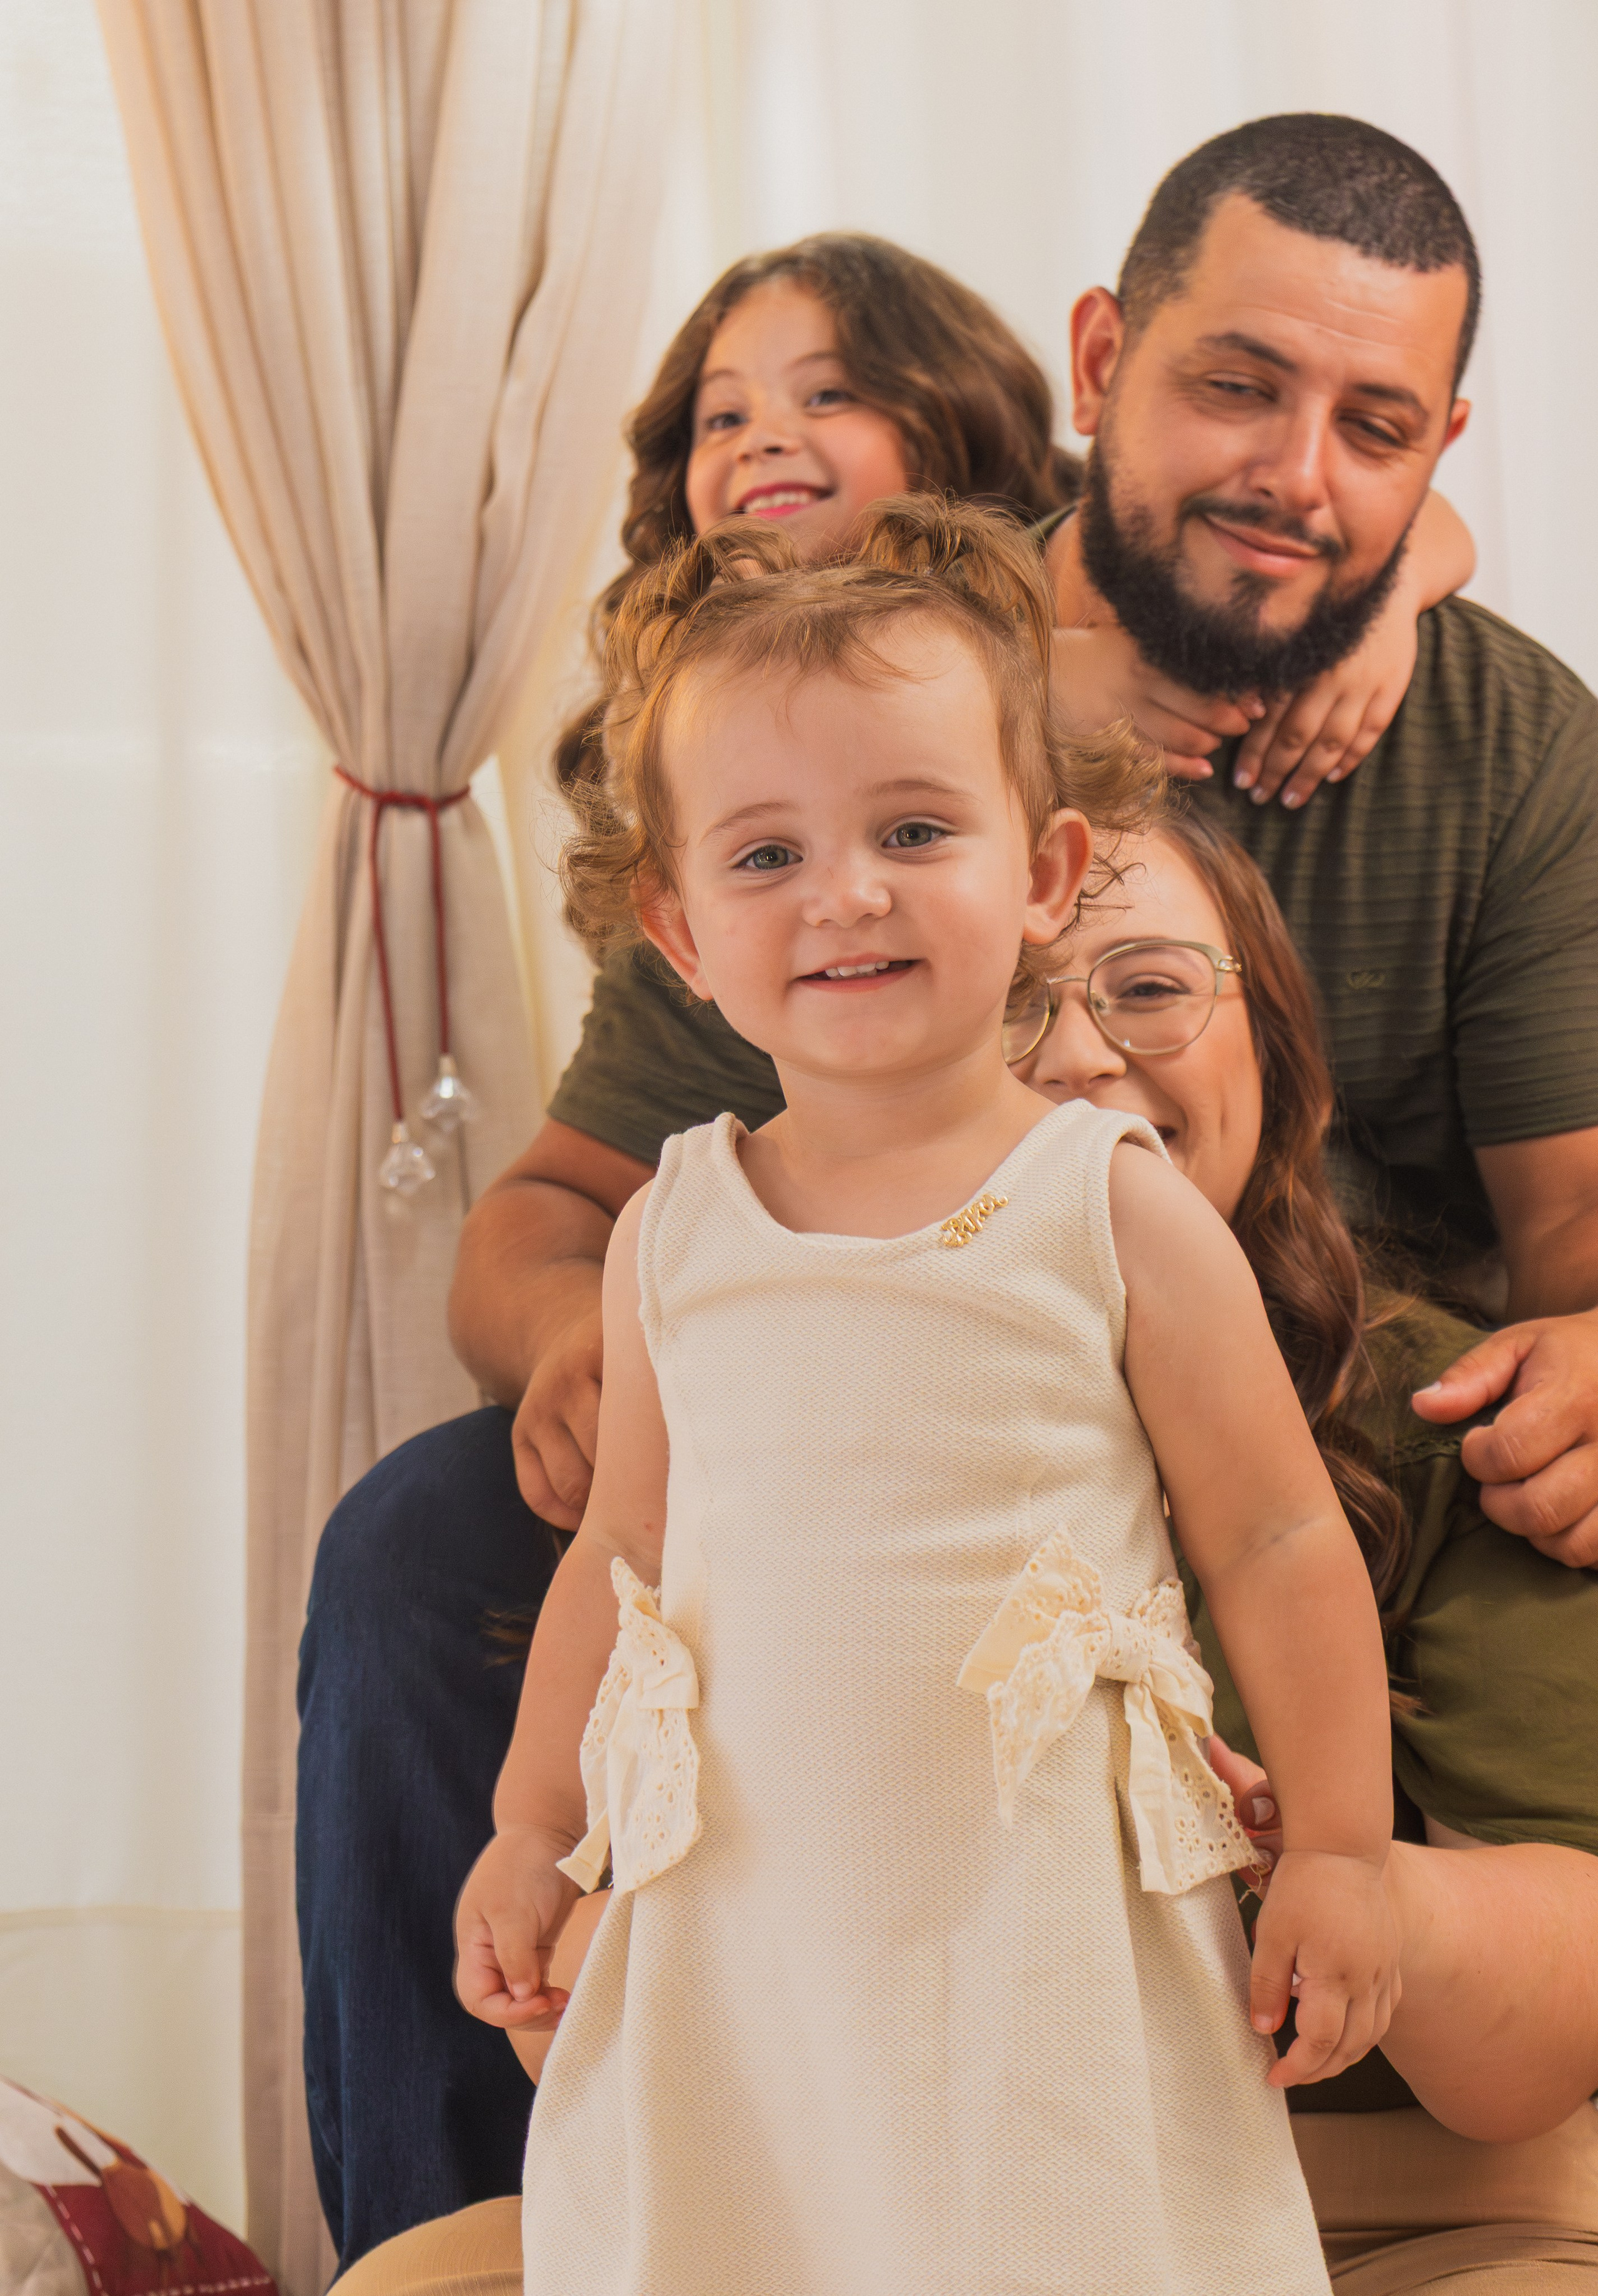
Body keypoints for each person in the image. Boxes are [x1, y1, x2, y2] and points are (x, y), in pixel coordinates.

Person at [301, 119, 1598, 2262]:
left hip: (1313, 1379)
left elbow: (1403, 1407)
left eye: (1377, 431)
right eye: (1235, 387)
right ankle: (518, 2179)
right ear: (1101, 361)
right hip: (821, 1406)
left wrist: (1348, 1848)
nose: (1299, 472)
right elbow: (584, 1338)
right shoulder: (875, 671)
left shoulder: (1493, 737)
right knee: (425, 1542)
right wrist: (609, 1369)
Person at [458, 493, 1396, 2295]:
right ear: (678, 928)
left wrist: (1342, 1854)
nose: (849, 892)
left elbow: (1278, 1537)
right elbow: (625, 1563)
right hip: (743, 1922)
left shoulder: (1102, 1201)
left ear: (1041, 871)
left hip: (1041, 1922)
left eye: (912, 828)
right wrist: (526, 1829)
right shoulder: (672, 1229)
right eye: (766, 858)